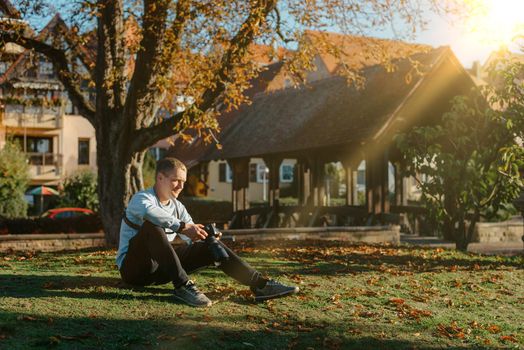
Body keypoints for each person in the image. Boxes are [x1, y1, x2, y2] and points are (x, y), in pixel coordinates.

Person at [116, 157, 299, 307]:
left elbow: (192, 236)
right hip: (134, 271)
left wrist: (209, 239)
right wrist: (182, 227)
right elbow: (152, 214)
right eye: (175, 180)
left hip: (161, 271)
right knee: (151, 226)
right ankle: (183, 286)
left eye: (183, 182)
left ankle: (260, 285)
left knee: (209, 244)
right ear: (160, 178)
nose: (180, 186)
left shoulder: (178, 207)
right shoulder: (141, 199)